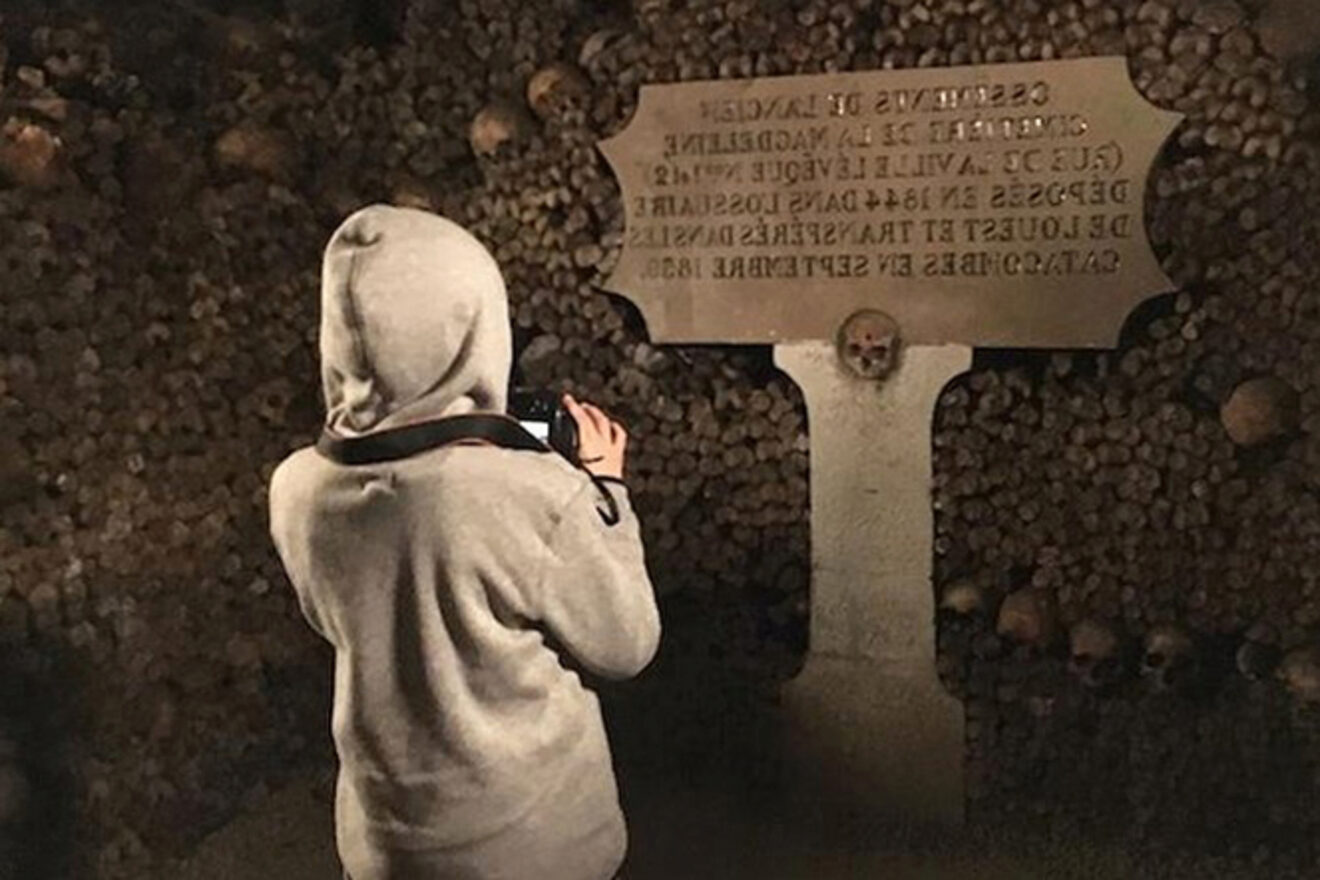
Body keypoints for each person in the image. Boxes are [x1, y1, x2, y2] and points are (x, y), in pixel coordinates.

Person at [267, 204, 661, 880]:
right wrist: (605, 492)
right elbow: (627, 644)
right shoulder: (527, 492)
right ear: (475, 323)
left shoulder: (296, 488)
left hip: (387, 839)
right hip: (535, 842)